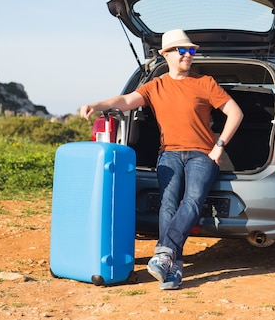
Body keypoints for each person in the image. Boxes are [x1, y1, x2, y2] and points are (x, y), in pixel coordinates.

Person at [79, 29, 243, 290]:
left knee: (193, 199)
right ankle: (173, 267)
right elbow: (124, 101)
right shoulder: (156, 86)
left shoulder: (205, 83)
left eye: (191, 50)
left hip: (202, 154)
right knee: (167, 202)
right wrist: (97, 105)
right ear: (165, 54)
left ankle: (164, 253)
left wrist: (219, 147)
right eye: (182, 50)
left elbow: (235, 112)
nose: (188, 55)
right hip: (168, 153)